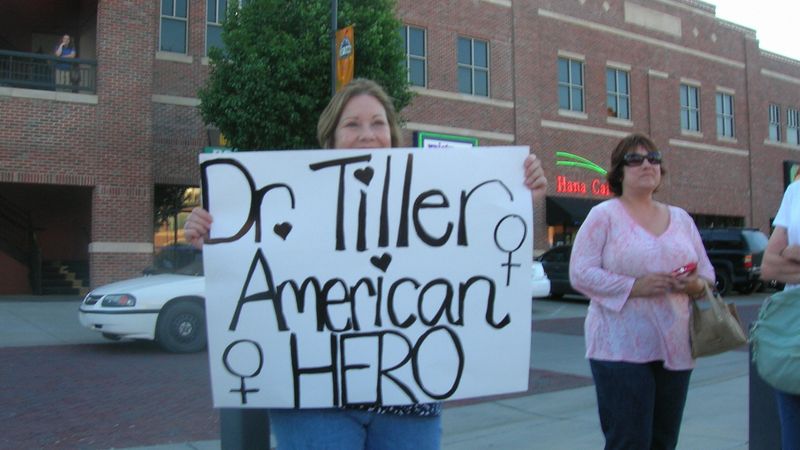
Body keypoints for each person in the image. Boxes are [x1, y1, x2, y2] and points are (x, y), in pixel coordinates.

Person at [184, 78, 547, 449]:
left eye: (377, 123)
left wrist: (521, 198)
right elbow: (256, 264)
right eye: (352, 124)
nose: (367, 134)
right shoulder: (292, 201)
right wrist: (215, 239)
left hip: (408, 399)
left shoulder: (433, 201)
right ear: (330, 138)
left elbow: (477, 247)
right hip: (314, 405)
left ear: (392, 133)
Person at [568, 133, 714, 450]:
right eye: (635, 159)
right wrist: (635, 287)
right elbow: (580, 273)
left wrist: (694, 285)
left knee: (663, 441)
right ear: (619, 172)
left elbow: (707, 274)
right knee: (629, 441)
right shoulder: (603, 216)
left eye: (653, 158)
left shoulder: (682, 219)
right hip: (618, 347)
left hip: (675, 347)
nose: (646, 164)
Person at [759, 181, 800, 450]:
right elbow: (769, 266)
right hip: (794, 335)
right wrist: (783, 255)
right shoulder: (795, 191)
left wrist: (793, 253)